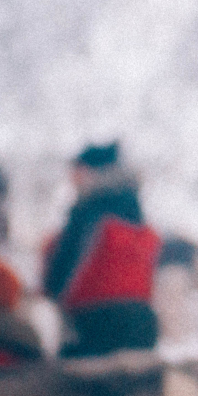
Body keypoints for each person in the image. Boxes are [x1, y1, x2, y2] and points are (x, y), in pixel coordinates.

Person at [41, 142, 162, 359]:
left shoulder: (88, 212)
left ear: (89, 171)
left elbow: (63, 271)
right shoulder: (136, 212)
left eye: (76, 171)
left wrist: (50, 292)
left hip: (95, 324)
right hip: (143, 324)